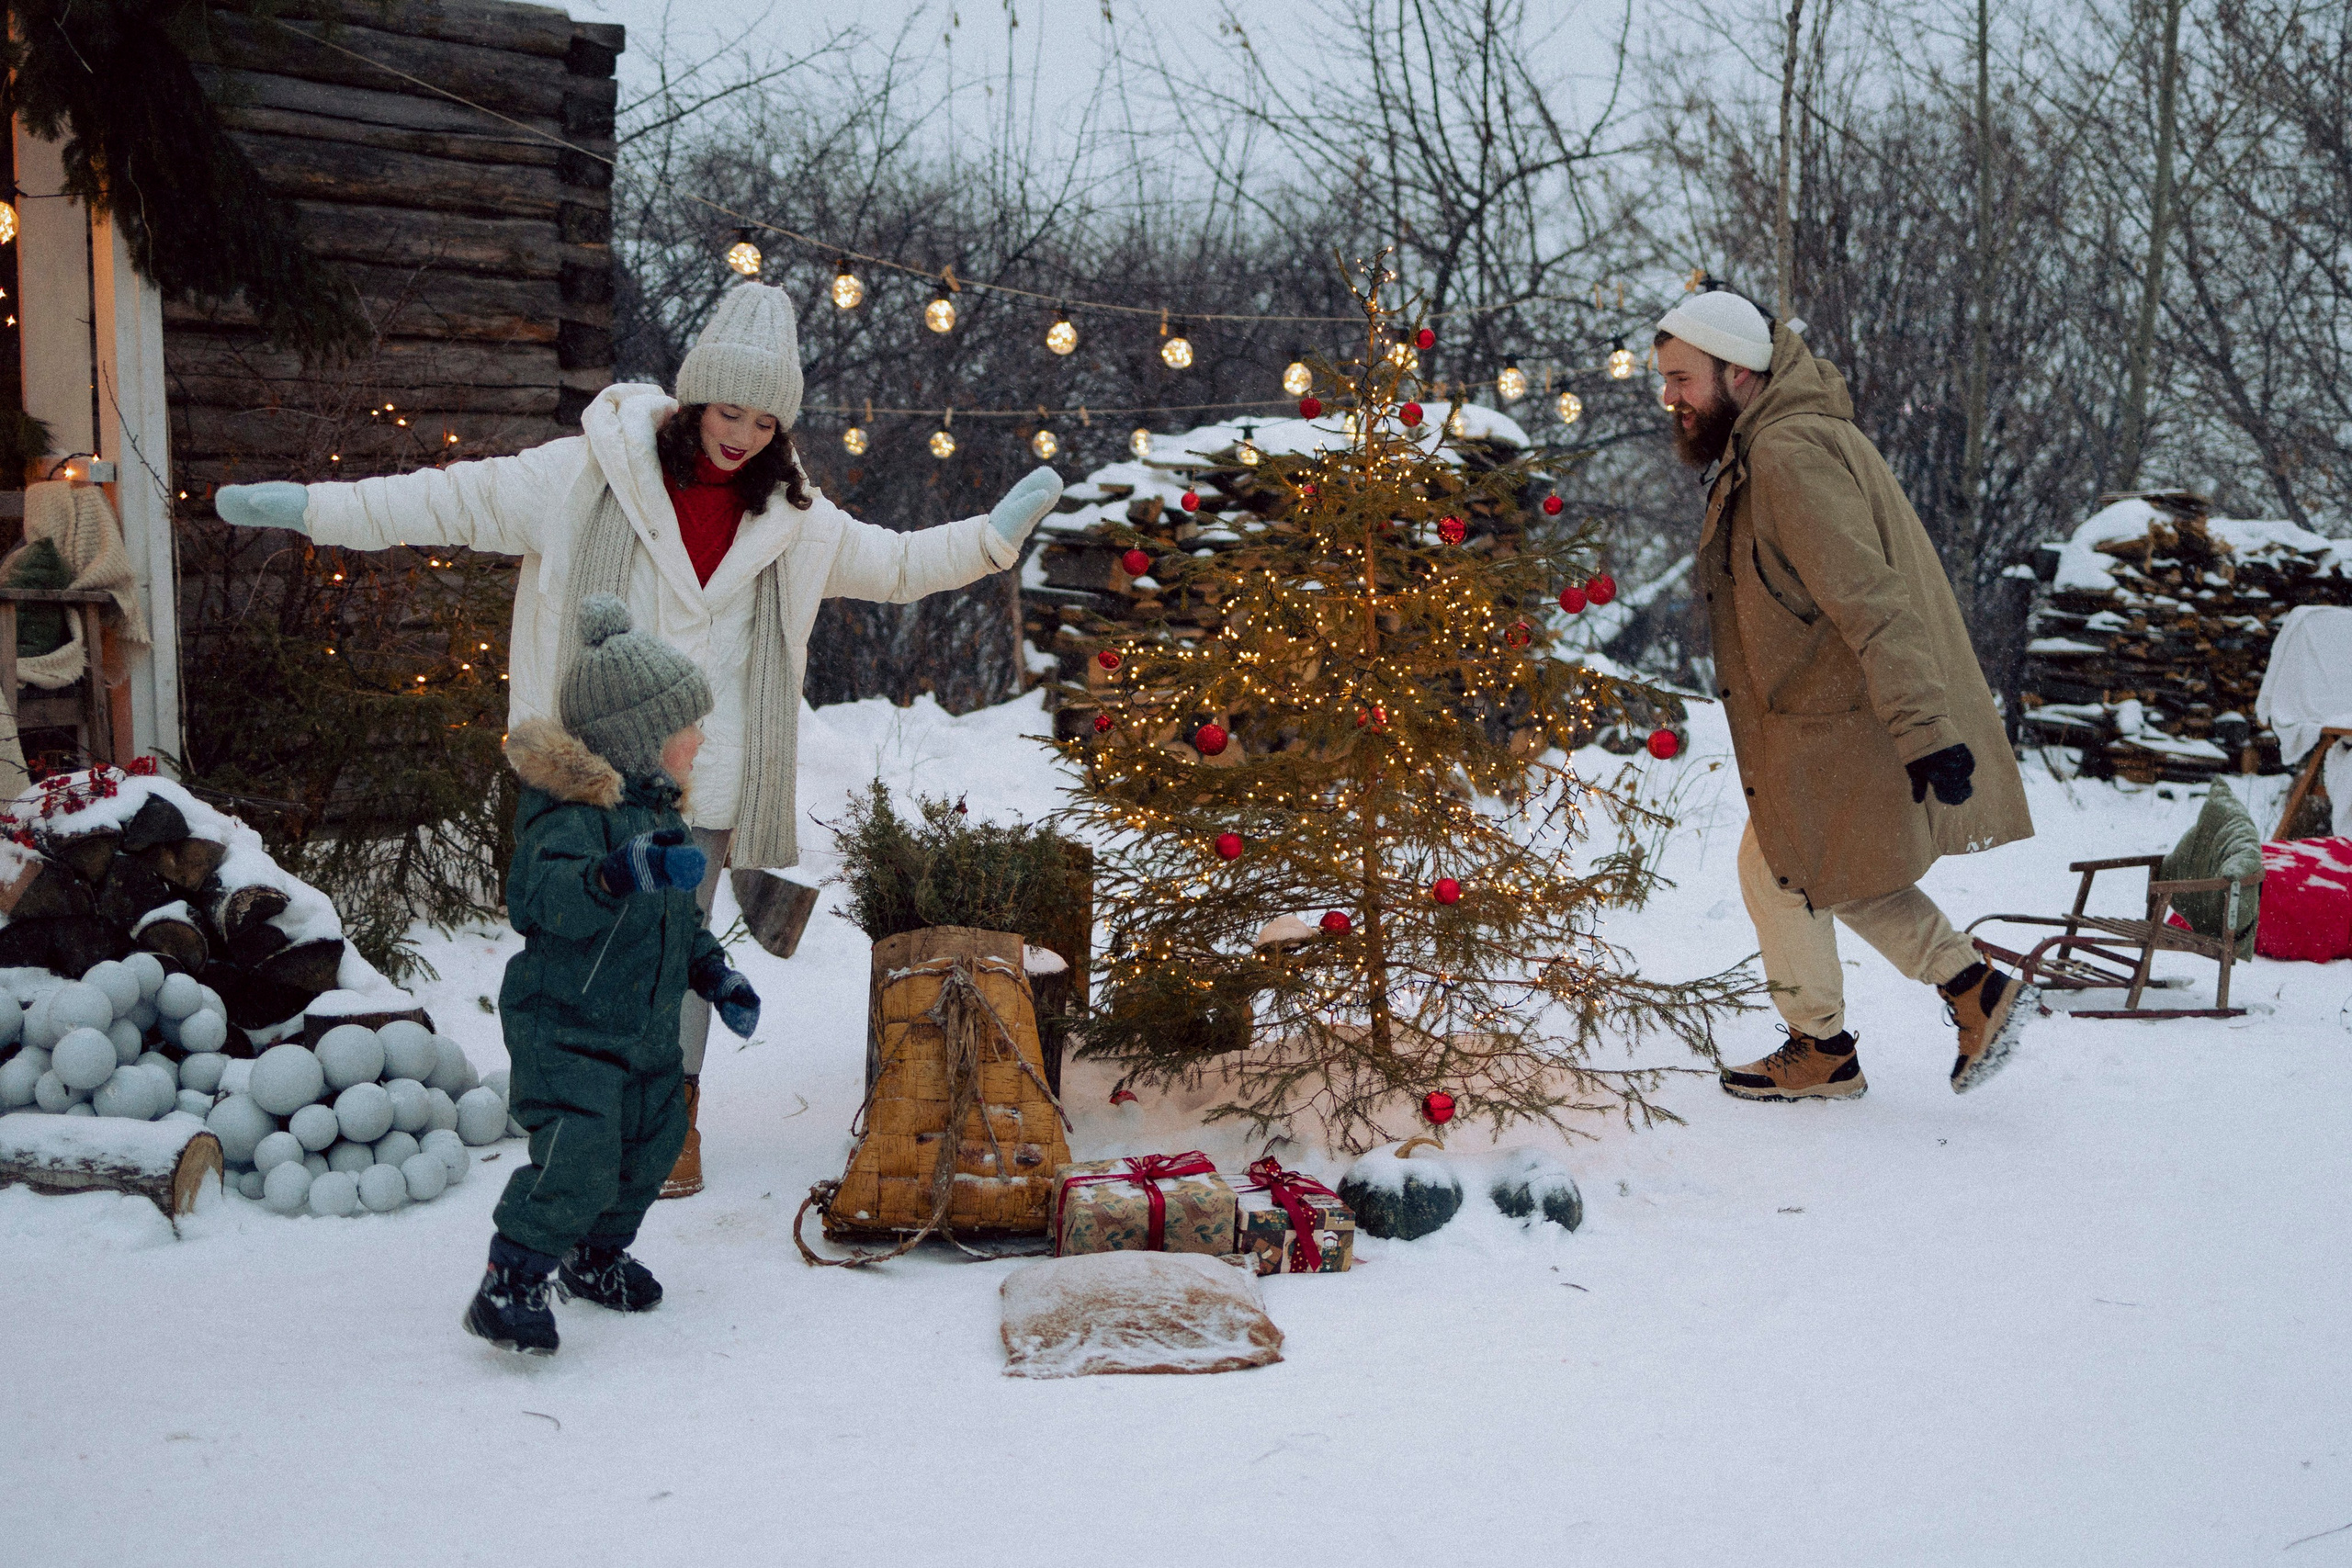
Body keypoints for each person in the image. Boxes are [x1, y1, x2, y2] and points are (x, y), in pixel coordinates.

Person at [213, 281, 1064, 1193]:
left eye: (764, 421)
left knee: (670, 953)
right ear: (693, 400)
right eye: (728, 411)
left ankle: (670, 1124)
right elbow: (447, 500)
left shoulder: (795, 523)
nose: (740, 435)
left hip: (703, 781)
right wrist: (308, 508)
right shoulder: (584, 477)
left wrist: (989, 540)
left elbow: (895, 565)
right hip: (587, 768)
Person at [1653, 288, 2039, 1100]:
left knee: (1791, 869)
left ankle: (1836, 1041)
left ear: (1739, 369)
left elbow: (1873, 599)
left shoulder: (1790, 454)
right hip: (1821, 715)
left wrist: (1926, 728)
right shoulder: (1779, 443)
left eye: (1684, 378)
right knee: (1805, 869)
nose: (1671, 398)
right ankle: (1961, 993)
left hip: (1845, 716)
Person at [467, 594, 759, 1355]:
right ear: (638, 737)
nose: (697, 739)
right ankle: (512, 1278)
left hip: (643, 1033)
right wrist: (619, 873)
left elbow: (676, 924)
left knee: (655, 1140)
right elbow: (544, 899)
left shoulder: (660, 815)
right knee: (580, 1155)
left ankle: (595, 1258)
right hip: (567, 1028)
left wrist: (717, 975)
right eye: (684, 726)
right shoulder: (566, 817)